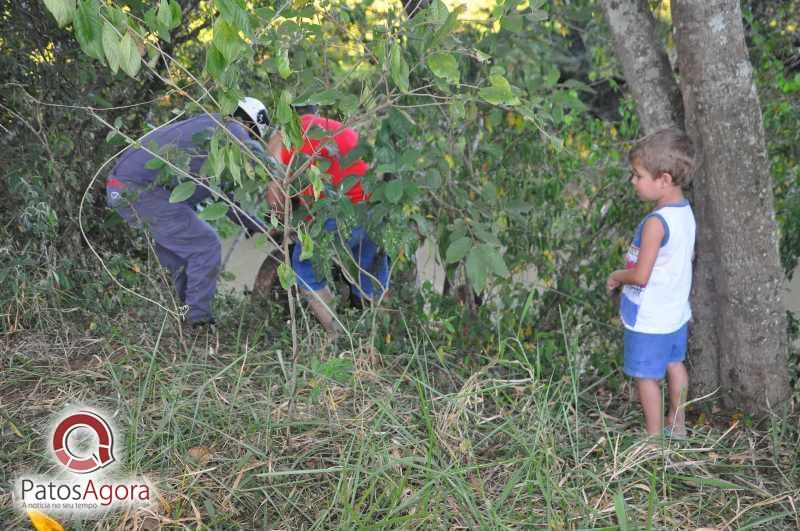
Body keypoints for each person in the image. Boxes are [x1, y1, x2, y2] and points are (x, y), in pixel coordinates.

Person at [106, 97, 271, 327]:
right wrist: (267, 227)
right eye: (253, 138)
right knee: (206, 245)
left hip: (122, 188)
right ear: (252, 127)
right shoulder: (234, 132)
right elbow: (233, 199)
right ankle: (198, 324)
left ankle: (184, 320)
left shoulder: (211, 125)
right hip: (142, 191)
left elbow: (227, 200)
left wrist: (255, 226)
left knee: (180, 261)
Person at [606, 128, 697, 439]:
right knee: (676, 365)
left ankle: (654, 439)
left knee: (646, 377)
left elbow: (640, 276)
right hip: (675, 314)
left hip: (649, 318)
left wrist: (617, 276)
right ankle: (678, 423)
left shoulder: (656, 224)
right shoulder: (685, 213)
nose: (633, 181)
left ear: (665, 180)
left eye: (638, 175)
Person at [266, 114, 390, 336]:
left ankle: (341, 336)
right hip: (375, 204)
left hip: (340, 207)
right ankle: (378, 336)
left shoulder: (283, 141)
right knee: (368, 269)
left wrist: (280, 227)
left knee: (305, 270)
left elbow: (275, 193)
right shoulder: (325, 126)